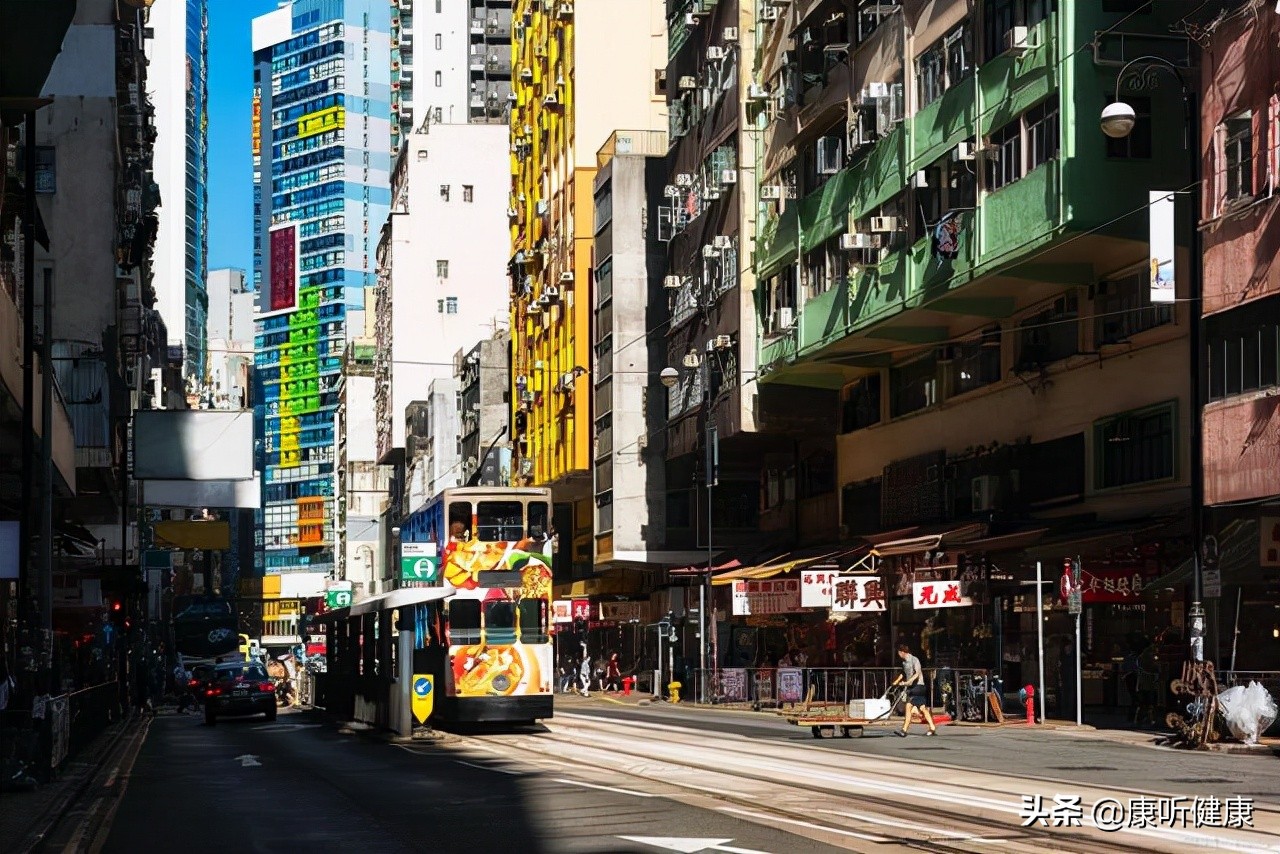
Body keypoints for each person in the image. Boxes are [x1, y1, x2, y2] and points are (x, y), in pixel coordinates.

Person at [891, 642, 937, 737]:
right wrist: (897, 681)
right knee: (923, 708)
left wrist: (909, 682)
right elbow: (903, 673)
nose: (898, 655)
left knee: (908, 706)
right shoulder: (904, 663)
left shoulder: (914, 659)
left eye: (899, 653)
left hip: (918, 686)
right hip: (912, 687)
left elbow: (917, 673)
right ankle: (932, 727)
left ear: (902, 652)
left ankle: (904, 730)